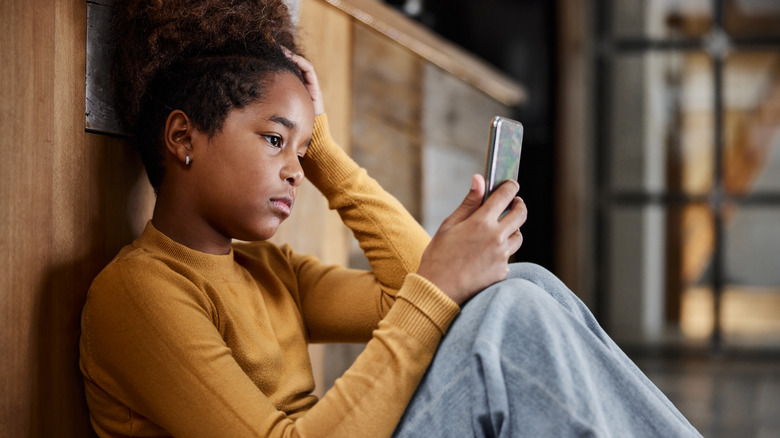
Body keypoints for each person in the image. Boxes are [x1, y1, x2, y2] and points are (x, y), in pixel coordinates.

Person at [79, 1, 702, 436]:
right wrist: (441, 282)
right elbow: (426, 298)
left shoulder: (269, 271)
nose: (296, 171)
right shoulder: (139, 292)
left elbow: (415, 290)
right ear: (183, 137)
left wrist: (325, 153)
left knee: (523, 284)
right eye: (275, 141)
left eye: (303, 152)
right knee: (513, 309)